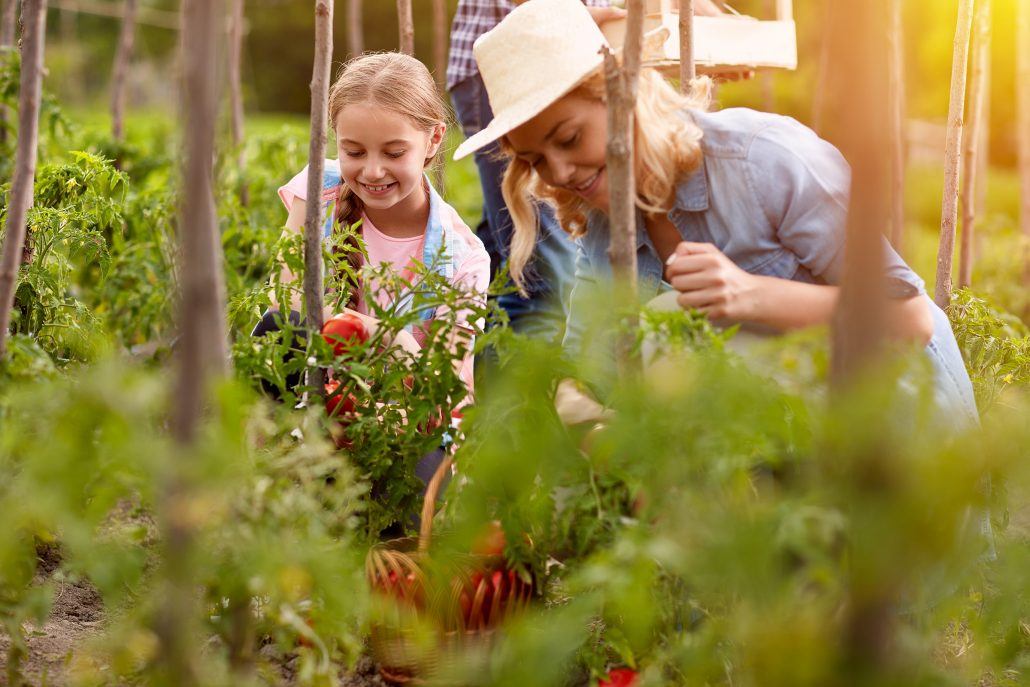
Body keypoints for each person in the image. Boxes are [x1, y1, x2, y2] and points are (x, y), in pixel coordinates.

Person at [453, 0, 978, 425]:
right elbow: (587, 369)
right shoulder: (605, 226)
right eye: (535, 160)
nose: (560, 172)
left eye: (569, 138)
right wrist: (580, 412)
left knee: (667, 329)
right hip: (787, 444)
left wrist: (751, 295)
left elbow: (908, 318)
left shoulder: (764, 158)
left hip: (898, 426)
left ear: (624, 94)